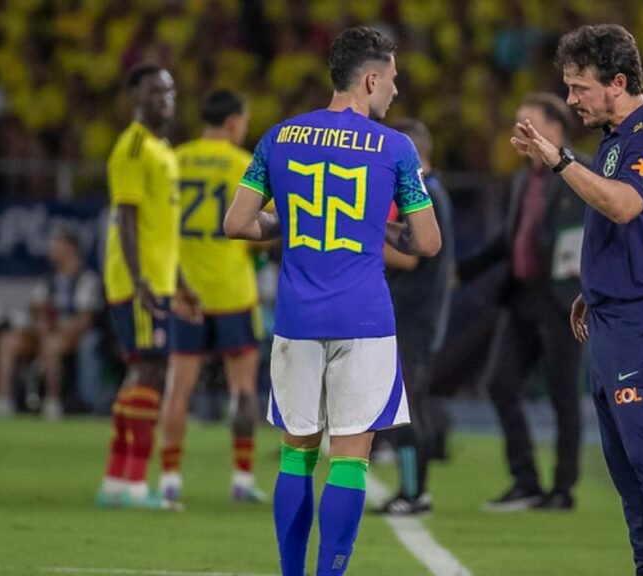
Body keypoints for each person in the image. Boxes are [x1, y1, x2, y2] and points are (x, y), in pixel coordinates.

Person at [223, 27, 441, 576]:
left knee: (295, 456)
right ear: (369, 80)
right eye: (392, 79)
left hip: (297, 317)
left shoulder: (279, 137)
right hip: (364, 319)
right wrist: (381, 231)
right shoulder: (396, 147)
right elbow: (428, 241)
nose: (395, 90)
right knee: (349, 460)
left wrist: (290, 222)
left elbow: (238, 223)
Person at [513, 24, 643, 575]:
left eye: (580, 87)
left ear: (618, 82)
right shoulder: (617, 138)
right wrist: (593, 288)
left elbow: (623, 206)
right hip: (613, 317)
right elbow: (631, 231)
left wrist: (560, 160)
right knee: (626, 467)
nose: (571, 99)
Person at [462, 92, 585, 512]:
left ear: (555, 128)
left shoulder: (579, 171)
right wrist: (464, 270)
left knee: (563, 395)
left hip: (563, 301)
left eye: (527, 122)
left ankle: (563, 488)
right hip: (522, 296)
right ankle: (526, 480)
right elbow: (510, 239)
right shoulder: (523, 178)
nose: (519, 131)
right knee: (500, 383)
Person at [96, 65, 201, 510]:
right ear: (135, 95)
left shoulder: (162, 149)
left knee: (141, 373)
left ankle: (115, 482)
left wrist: (180, 283)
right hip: (138, 282)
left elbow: (162, 230)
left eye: (170, 90)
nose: (166, 98)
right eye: (156, 90)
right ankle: (136, 485)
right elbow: (127, 218)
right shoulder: (134, 146)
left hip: (157, 279)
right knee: (150, 371)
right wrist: (139, 279)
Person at [157, 90, 267, 505]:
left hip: (186, 292)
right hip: (233, 290)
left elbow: (159, 227)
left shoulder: (174, 160)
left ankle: (169, 480)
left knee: (178, 388)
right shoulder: (244, 164)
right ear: (234, 122)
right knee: (242, 389)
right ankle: (242, 478)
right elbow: (261, 230)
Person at [376, 118, 455, 516]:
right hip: (420, 314)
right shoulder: (432, 190)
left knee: (405, 406)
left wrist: (360, 236)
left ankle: (413, 492)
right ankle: (413, 491)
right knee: (411, 404)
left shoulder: (421, 193)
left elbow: (410, 259)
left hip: (413, 315)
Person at [0, 229, 102, 419]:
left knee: (51, 345)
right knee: (7, 340)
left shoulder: (87, 279)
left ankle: (52, 401)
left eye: (57, 247)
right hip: (44, 333)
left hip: (70, 335)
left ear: (70, 249)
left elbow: (85, 320)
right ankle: (3, 398)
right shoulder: (49, 279)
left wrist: (58, 328)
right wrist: (39, 321)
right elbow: (36, 307)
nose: (52, 252)